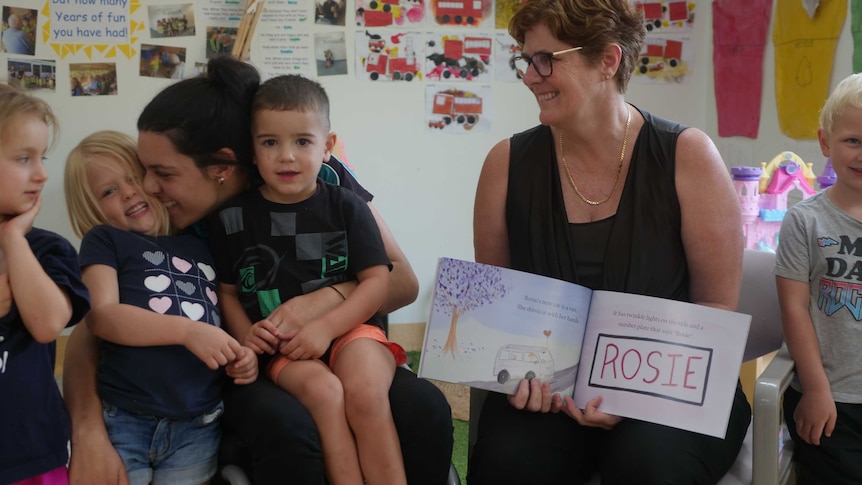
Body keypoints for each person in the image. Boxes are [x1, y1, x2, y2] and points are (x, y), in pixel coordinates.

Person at [62, 56, 453, 485]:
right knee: (287, 425)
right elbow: (95, 325)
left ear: (223, 167)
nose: (149, 187)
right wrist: (87, 431)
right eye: (143, 171)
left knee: (424, 408)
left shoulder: (321, 177)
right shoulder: (164, 219)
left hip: (346, 342)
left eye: (162, 173)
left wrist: (318, 302)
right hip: (253, 361)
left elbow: (401, 280)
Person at [468, 0, 752, 483]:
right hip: (550, 394)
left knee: (647, 467)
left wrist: (632, 395)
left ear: (608, 60)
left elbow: (715, 311)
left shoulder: (688, 155)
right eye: (525, 59)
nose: (530, 76)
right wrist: (521, 375)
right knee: (507, 464)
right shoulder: (506, 164)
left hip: (674, 391)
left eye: (546, 59)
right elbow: (500, 309)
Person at [211, 74, 408, 485]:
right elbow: (227, 292)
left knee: (367, 394)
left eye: (302, 141)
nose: (286, 156)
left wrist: (324, 328)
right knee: (325, 394)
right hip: (282, 349)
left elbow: (377, 282)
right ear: (253, 149)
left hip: (351, 332)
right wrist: (249, 341)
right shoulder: (233, 218)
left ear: (328, 146)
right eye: (270, 143)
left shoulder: (348, 207)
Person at [63, 130, 258, 485]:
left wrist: (241, 355)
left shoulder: (201, 243)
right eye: (109, 191)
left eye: (134, 177)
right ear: (91, 207)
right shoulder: (106, 241)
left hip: (198, 423)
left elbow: (222, 309)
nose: (129, 192)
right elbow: (102, 316)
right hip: (126, 418)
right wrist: (188, 332)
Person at [775, 72, 862, 485]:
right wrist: (815, 389)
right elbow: (794, 308)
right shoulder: (803, 221)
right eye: (853, 140)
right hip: (830, 401)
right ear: (825, 142)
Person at [0, 85, 90, 484]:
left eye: (42, 157)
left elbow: (48, 323)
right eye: (23, 159)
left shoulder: (47, 248)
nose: (41, 173)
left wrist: (13, 240)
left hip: (32, 453)